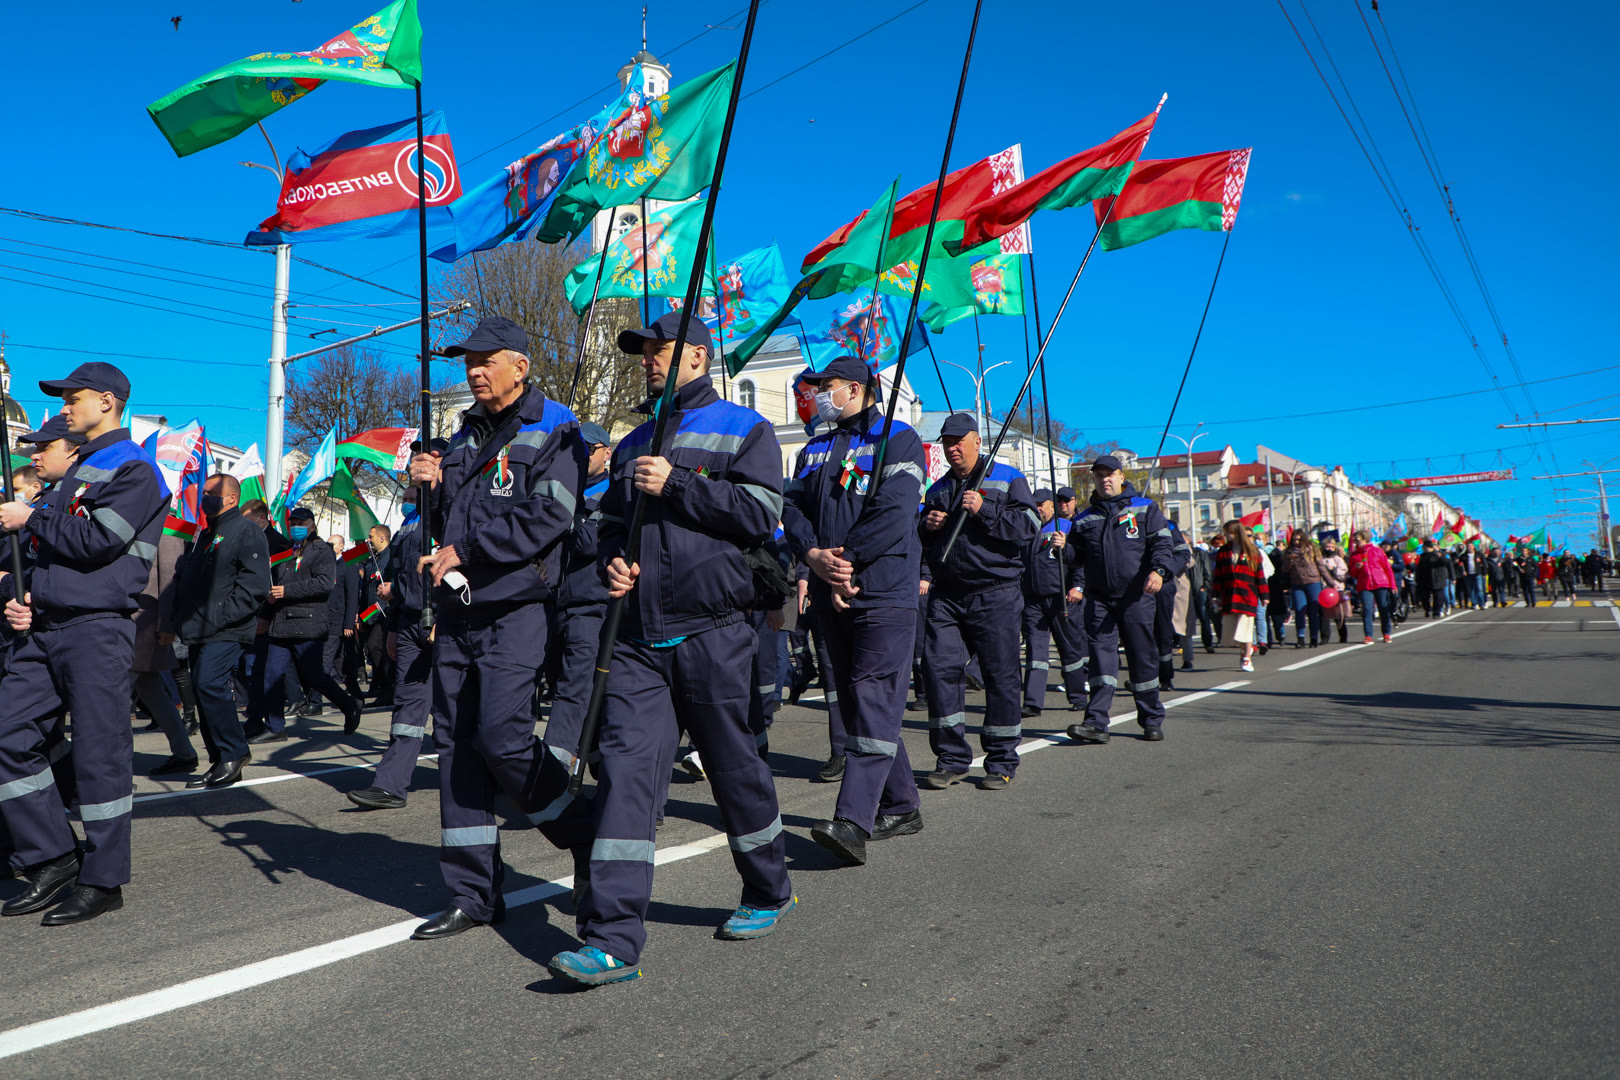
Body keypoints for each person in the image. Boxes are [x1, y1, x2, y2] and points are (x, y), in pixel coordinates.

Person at [549, 311, 793, 986]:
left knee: (734, 768)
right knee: (626, 777)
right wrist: (610, 567)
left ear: (696, 358)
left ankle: (769, 886)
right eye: (643, 353)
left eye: (659, 351)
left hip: (715, 631)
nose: (648, 361)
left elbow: (761, 515)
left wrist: (679, 483)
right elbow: (609, 530)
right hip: (636, 642)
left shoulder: (748, 429)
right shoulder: (630, 445)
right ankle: (612, 939)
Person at [405, 316, 593, 949]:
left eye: (486, 360)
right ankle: (472, 893)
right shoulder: (462, 435)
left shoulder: (556, 428)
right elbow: (450, 514)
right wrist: (428, 485)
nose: (475, 371)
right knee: (456, 750)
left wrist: (468, 552)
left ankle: (582, 833)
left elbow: (550, 516)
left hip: (516, 607)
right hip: (457, 612)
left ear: (521, 364)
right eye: (468, 363)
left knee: (503, 739)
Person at [0, 361, 168, 925]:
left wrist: (30, 519)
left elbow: (99, 540)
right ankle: (52, 858)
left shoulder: (135, 469)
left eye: (74, 397)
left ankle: (103, 878)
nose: (65, 406)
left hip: (97, 629)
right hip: (44, 628)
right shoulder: (75, 472)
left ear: (108, 401)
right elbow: (42, 558)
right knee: (7, 734)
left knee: (99, 756)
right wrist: (22, 594)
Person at [780, 355, 926, 867]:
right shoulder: (815, 447)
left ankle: (853, 821)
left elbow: (896, 508)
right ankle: (902, 805)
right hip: (828, 587)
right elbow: (790, 507)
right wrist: (813, 555)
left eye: (829, 386)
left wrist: (849, 561)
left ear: (857, 388)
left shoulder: (899, 439)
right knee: (865, 703)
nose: (819, 393)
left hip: (881, 590)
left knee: (872, 695)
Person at [917, 412, 1038, 788]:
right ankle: (951, 758)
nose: (952, 449)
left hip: (996, 592)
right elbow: (921, 541)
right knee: (938, 671)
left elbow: (1029, 527)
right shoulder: (937, 488)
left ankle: (1001, 759)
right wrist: (927, 526)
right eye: (946, 443)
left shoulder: (1006, 478)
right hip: (948, 593)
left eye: (958, 442)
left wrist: (983, 508)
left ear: (976, 441)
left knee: (1000, 675)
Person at [346, 454, 440, 811]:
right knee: (407, 708)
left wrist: (443, 618)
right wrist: (394, 626)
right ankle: (389, 785)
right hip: (410, 623)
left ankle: (473, 781)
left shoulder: (453, 513)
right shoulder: (408, 526)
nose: (417, 469)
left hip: (443, 623)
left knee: (452, 711)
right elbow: (403, 579)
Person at [1065, 455, 1178, 744]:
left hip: (1136, 596)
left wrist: (1159, 571)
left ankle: (1151, 718)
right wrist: (1060, 549)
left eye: (1110, 473)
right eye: (1099, 474)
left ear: (1121, 476)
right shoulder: (1083, 518)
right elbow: (1075, 558)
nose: (1105, 479)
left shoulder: (1145, 508)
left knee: (1142, 658)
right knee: (1102, 662)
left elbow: (1163, 544)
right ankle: (1096, 723)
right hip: (1099, 600)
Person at [173, 474, 270, 789]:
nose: (205, 497)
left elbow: (255, 586)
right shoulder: (206, 532)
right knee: (203, 691)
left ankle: (235, 752)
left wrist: (218, 616)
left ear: (231, 498)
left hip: (227, 628)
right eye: (204, 493)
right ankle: (219, 759)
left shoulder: (246, 531)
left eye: (212, 493)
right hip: (200, 628)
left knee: (208, 684)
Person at [254, 507, 361, 743]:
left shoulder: (322, 550)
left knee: (315, 676)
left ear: (312, 525)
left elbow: (324, 584)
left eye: (301, 523)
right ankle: (274, 728)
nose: (295, 527)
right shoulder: (285, 552)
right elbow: (276, 585)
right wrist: (266, 610)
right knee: (272, 675)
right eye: (292, 523)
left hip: (307, 624)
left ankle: (349, 704)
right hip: (281, 624)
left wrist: (286, 592)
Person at [543, 422, 612, 761]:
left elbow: (592, 541)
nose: (581, 456)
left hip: (592, 603)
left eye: (589, 449)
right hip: (554, 601)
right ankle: (600, 758)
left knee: (575, 685)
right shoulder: (563, 486)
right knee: (560, 683)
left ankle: (553, 765)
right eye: (575, 450)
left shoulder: (610, 492)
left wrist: (563, 516)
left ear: (606, 453)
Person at [133, 504, 196, 777]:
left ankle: (97, 763)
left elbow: (168, 579)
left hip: (145, 623)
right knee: (153, 692)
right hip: (136, 622)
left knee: (110, 696)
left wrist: (166, 625)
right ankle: (184, 753)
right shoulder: (140, 521)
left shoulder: (168, 527)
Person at [1017, 487, 1088, 718]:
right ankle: (1033, 702)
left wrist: (1077, 586)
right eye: (1034, 504)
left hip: (1061, 598)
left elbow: (1079, 559)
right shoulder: (1028, 528)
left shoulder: (1066, 526)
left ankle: (1077, 695)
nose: (1037, 508)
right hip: (1033, 601)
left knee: (1069, 648)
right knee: (1035, 652)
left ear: (1052, 506)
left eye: (1041, 504)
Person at [307, 534, 360, 717]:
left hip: (338, 622)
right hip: (323, 620)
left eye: (332, 544)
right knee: (341, 663)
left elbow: (352, 596)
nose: (328, 547)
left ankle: (315, 702)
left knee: (324, 661)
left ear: (341, 547)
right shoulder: (326, 565)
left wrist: (348, 624)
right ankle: (356, 696)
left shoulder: (348, 565)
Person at [1212, 520, 1267, 672]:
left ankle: (1246, 657)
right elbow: (1218, 575)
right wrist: (1215, 594)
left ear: (1235, 532)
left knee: (1246, 627)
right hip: (1229, 594)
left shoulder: (1252, 551)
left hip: (1248, 594)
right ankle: (1243, 652)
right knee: (1232, 629)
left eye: (1227, 532)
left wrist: (1264, 595)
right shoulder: (1223, 551)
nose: (1225, 535)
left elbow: (1260, 575)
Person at [1151, 520, 1193, 689]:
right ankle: (1142, 677)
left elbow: (1183, 554)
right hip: (1133, 587)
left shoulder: (1167, 525)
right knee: (1137, 634)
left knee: (1162, 632)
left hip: (1162, 585)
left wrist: (1162, 571)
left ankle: (1165, 677)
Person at [358, 523, 395, 707]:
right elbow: (367, 590)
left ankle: (386, 687)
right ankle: (378, 685)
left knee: (376, 647)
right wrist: (361, 616)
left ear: (382, 538)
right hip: (370, 612)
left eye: (371, 537)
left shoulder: (391, 556)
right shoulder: (372, 558)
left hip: (384, 611)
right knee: (372, 650)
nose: (368, 540)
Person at [1348, 530, 1396, 643]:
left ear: (1365, 539)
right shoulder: (1355, 555)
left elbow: (1387, 568)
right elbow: (1352, 573)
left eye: (1358, 540)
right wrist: (1356, 567)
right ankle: (1368, 635)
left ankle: (1386, 633)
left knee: (1383, 608)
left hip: (1380, 582)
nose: (1355, 542)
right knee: (1367, 609)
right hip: (1364, 584)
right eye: (1354, 540)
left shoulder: (1377, 551)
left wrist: (1392, 585)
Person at [1283, 533, 1327, 646]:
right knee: (1299, 610)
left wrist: (1331, 582)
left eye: (1298, 540)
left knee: (1313, 611)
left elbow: (1321, 567)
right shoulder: (1289, 552)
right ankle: (1300, 638)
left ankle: (1313, 638)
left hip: (1313, 582)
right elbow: (1284, 570)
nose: (1296, 542)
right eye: (1294, 540)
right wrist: (1289, 560)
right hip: (1297, 584)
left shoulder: (1312, 550)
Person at [1182, 536, 1214, 670]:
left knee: (1203, 617)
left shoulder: (1199, 553)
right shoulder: (1176, 553)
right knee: (1185, 620)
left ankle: (1208, 643)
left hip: (1199, 589)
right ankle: (1182, 646)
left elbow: (1207, 570)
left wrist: (1205, 586)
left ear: (1188, 540)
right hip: (1184, 592)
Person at [1318, 537, 1351, 644]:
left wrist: (1334, 569)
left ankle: (1343, 636)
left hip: (1337, 589)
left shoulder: (1338, 559)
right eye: (1327, 546)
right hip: (1323, 590)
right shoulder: (1320, 559)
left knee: (1339, 615)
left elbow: (1344, 574)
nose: (1329, 549)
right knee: (1324, 615)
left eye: (1332, 547)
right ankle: (1324, 637)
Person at [1417, 541, 1450, 618]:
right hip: (1425, 579)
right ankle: (1428, 609)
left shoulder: (1438, 554)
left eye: (1426, 547)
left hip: (1437, 579)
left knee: (1438, 597)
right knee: (1424, 597)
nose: (1425, 549)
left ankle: (1436, 612)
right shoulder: (1422, 556)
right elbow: (1419, 569)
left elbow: (1447, 562)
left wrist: (1440, 556)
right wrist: (1418, 579)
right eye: (1424, 547)